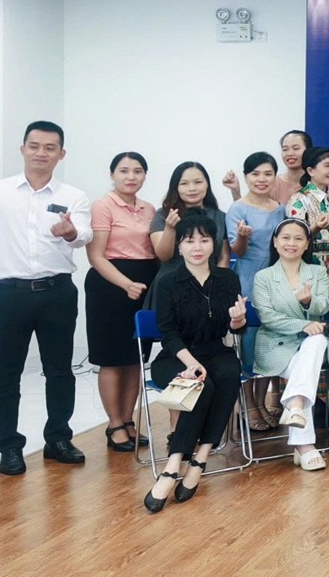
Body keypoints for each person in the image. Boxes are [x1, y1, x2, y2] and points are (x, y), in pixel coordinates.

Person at [0, 121, 93, 476]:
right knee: (6, 373)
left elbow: (84, 234)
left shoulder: (74, 196)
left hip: (57, 293)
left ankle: (58, 439)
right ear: (23, 149)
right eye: (34, 146)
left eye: (49, 147)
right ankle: (9, 446)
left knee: (60, 370)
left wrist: (71, 232)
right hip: (8, 294)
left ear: (61, 154)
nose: (41, 153)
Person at [141, 213, 245, 512]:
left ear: (214, 244)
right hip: (175, 357)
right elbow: (168, 333)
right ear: (179, 246)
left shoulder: (227, 279)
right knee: (202, 384)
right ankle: (173, 465)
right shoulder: (168, 282)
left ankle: (201, 457)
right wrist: (190, 363)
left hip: (216, 351)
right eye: (189, 241)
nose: (197, 247)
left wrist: (237, 321)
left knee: (229, 373)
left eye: (204, 240)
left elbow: (233, 328)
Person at [84, 151, 160, 453]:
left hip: (145, 284)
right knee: (112, 358)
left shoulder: (149, 208)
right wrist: (125, 283)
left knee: (136, 357)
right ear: (112, 174)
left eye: (138, 171)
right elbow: (96, 256)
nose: (131, 176)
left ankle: (129, 420)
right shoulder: (102, 206)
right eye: (124, 170)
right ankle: (114, 423)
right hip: (110, 286)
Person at [251, 218, 329, 471]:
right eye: (285, 237)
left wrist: (309, 303)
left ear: (307, 243)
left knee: (317, 340)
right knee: (310, 355)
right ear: (275, 242)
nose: (291, 243)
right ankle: (303, 442)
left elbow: (324, 306)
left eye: (298, 238)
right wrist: (303, 324)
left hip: (309, 345)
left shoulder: (317, 272)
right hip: (275, 346)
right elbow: (267, 317)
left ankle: (297, 410)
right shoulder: (263, 277)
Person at [226, 152, 287, 431]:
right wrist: (242, 237)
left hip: (275, 281)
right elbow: (237, 251)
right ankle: (248, 405)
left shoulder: (280, 209)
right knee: (248, 344)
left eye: (267, 174)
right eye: (255, 174)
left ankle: (261, 403)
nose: (261, 179)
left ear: (275, 176)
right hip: (248, 280)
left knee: (269, 343)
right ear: (246, 176)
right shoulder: (237, 209)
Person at [149, 162, 229, 306]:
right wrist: (170, 228)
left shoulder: (220, 216)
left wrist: (217, 284)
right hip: (170, 286)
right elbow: (163, 255)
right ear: (176, 187)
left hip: (207, 285)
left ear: (207, 184)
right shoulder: (164, 214)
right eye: (184, 183)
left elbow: (223, 257)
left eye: (198, 182)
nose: (192, 188)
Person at [286, 146, 329, 284]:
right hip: (311, 264)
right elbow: (294, 237)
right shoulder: (299, 200)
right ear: (311, 171)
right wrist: (316, 228)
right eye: (327, 166)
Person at [223, 129, 309, 207]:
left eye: (296, 148)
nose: (290, 153)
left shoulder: (314, 183)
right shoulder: (272, 183)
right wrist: (235, 191)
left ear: (308, 150)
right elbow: (249, 210)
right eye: (285, 149)